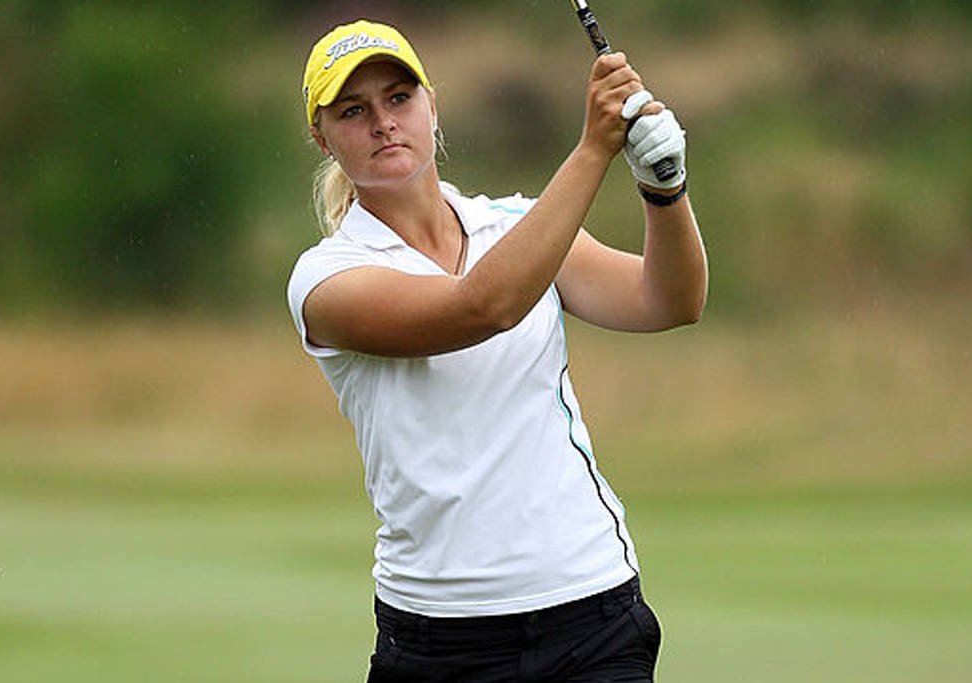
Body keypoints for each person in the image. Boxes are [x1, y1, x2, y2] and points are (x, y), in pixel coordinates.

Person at [287, 18, 707, 683]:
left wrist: (665, 191)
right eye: (353, 110)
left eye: (399, 99)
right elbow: (484, 306)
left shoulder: (515, 223)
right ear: (322, 136)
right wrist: (593, 149)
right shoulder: (326, 279)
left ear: (431, 105)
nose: (382, 123)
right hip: (437, 637)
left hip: (590, 610)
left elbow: (668, 300)